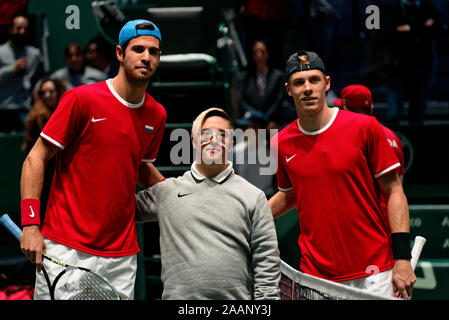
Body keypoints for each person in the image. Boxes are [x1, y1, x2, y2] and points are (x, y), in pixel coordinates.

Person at [19, 19, 167, 300]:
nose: (146, 57)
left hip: (121, 257)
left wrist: (179, 194)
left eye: (154, 51)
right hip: (66, 246)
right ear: (120, 54)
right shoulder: (81, 99)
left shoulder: (156, 114)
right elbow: (35, 158)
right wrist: (30, 225)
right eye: (138, 49)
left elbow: (139, 166)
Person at [269, 50, 415, 299]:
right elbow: (289, 195)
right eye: (299, 83)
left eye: (314, 80)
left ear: (327, 84)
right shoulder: (280, 143)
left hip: (375, 272)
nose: (307, 88)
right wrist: (247, 216)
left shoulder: (365, 127)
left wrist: (402, 257)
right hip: (315, 276)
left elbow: (394, 190)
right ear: (288, 89)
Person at [136, 107, 281, 300]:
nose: (214, 140)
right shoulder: (166, 192)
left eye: (222, 135)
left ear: (231, 144)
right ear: (193, 140)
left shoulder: (253, 197)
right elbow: (114, 208)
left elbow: (267, 263)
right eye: (205, 134)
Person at [383, 0, 438, 125]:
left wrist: (408, 29)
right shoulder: (392, 6)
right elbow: (387, 31)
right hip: (397, 67)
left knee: (417, 114)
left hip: (422, 66)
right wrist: (421, 28)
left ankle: (415, 143)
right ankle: (388, 143)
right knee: (393, 113)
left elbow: (437, 30)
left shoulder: (429, 6)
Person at [0, 14, 45, 132]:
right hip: (3, 108)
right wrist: (12, 69)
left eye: (25, 29)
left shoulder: (34, 54)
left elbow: (41, 78)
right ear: (10, 30)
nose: (22, 32)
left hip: (25, 108)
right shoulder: (1, 52)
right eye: (18, 28)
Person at [238, 39, 284, 130]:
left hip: (272, 120)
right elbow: (242, 101)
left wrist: (265, 118)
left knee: (273, 132)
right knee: (251, 133)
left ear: (267, 54)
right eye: (256, 52)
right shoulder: (246, 77)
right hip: (253, 120)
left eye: (262, 52)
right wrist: (256, 116)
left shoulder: (277, 76)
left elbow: (279, 100)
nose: (259, 55)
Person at [233, 109, 275, 198]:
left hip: (268, 198)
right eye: (243, 127)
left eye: (249, 126)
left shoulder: (272, 149)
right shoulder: (236, 151)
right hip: (245, 199)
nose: (245, 130)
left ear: (259, 128)